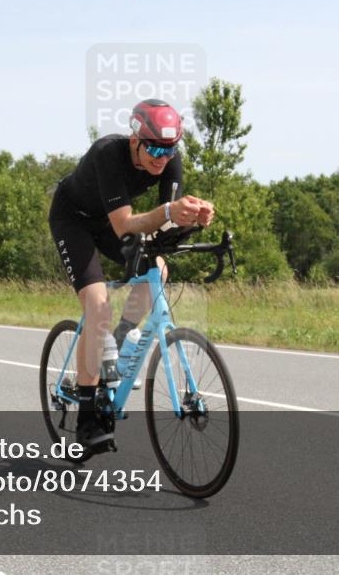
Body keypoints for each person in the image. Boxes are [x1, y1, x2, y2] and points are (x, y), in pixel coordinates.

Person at [48, 99, 215, 453]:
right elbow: (125, 224)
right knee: (97, 305)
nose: (162, 157)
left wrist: (190, 218)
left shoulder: (169, 160)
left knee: (159, 269)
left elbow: (165, 224)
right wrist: (170, 209)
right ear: (135, 139)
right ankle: (88, 415)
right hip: (73, 219)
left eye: (170, 149)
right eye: (154, 147)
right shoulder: (108, 153)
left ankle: (121, 338)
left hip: (111, 223)